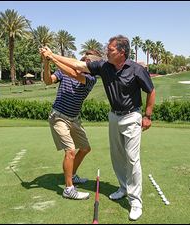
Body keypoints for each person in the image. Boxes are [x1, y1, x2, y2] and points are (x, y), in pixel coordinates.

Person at [41, 35, 155, 220]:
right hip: (113, 116)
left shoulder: (136, 70)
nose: (106, 52)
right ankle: (123, 188)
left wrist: (147, 116)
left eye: (110, 50)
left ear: (121, 52)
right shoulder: (104, 67)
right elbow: (75, 67)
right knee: (117, 156)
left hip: (132, 116)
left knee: (132, 159)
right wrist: (51, 58)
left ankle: (135, 201)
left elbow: (151, 90)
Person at [41, 49, 102, 200]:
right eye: (90, 63)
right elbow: (48, 81)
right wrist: (46, 62)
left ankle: (72, 175)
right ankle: (69, 188)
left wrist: (52, 57)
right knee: (70, 151)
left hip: (74, 119)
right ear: (84, 61)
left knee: (85, 148)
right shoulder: (63, 71)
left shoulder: (91, 79)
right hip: (59, 117)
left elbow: (74, 75)